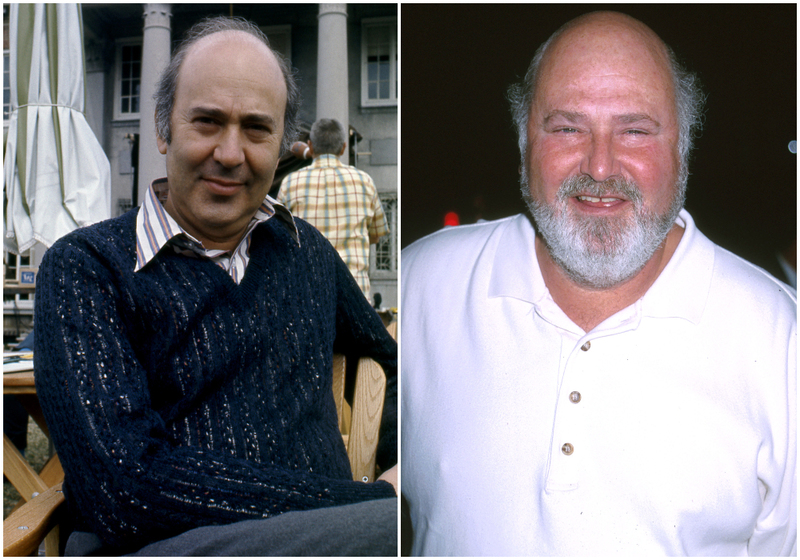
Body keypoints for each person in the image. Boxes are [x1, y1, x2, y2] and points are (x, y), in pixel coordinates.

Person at [401, 11, 795, 556]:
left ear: (684, 146)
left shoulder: (780, 339)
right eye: (567, 127)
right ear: (523, 143)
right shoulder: (422, 283)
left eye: (635, 130)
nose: (601, 166)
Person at [34, 17, 397, 556]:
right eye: (207, 122)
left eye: (256, 129)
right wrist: (359, 506)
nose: (230, 153)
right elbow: (123, 489)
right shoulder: (87, 268)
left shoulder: (307, 253)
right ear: (163, 129)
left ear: (282, 147)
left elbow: (389, 364)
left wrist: (397, 462)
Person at [279, 118, 389, 299]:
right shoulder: (365, 181)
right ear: (343, 148)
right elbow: (376, 236)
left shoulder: (290, 183)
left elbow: (280, 237)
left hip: (307, 295)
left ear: (310, 145)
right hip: (355, 296)